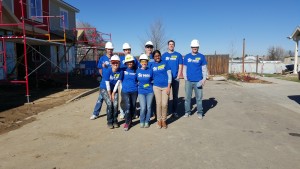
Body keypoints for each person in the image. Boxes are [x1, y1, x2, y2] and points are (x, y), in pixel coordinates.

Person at [183, 39, 208, 119]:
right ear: (191, 47)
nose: (195, 48)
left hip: (198, 81)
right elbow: (184, 68)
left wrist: (204, 79)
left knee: (199, 98)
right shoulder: (187, 56)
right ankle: (187, 112)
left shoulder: (201, 56)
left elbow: (204, 69)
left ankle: (200, 112)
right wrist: (185, 78)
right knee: (187, 98)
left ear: (198, 47)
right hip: (189, 81)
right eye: (193, 47)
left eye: (196, 47)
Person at [89, 42, 114, 120]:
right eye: (108, 49)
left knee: (111, 98)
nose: (110, 51)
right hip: (104, 82)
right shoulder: (102, 58)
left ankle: (110, 113)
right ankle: (95, 113)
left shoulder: (114, 58)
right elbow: (99, 69)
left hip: (112, 82)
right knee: (100, 98)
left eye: (111, 49)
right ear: (106, 49)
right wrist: (103, 75)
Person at [162, 40, 183, 118]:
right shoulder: (164, 55)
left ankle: (174, 111)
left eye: (172, 44)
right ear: (168, 45)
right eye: (170, 44)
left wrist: (178, 75)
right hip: (166, 80)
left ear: (174, 46)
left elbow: (180, 65)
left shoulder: (178, 55)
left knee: (175, 96)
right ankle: (166, 111)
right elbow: (162, 66)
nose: (171, 45)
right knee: (166, 95)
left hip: (175, 78)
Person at [151, 50, 171, 129]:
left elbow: (169, 75)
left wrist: (169, 86)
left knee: (165, 104)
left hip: (165, 86)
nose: (157, 57)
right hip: (156, 87)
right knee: (158, 104)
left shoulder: (165, 63)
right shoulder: (152, 65)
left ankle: (164, 120)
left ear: (160, 56)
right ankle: (159, 120)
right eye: (155, 56)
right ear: (153, 57)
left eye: (158, 55)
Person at [121, 54, 138, 131]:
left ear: (133, 62)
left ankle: (130, 120)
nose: (130, 63)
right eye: (128, 62)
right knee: (127, 106)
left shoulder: (136, 70)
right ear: (126, 63)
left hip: (134, 91)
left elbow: (139, 80)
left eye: (131, 62)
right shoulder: (123, 70)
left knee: (133, 106)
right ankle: (127, 122)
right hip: (125, 91)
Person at [137, 54, 154, 128]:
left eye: (145, 61)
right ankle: (142, 120)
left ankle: (147, 121)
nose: (144, 63)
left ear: (147, 62)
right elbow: (135, 80)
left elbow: (153, 80)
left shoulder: (150, 70)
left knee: (149, 107)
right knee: (143, 107)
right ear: (140, 62)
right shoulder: (138, 71)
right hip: (141, 92)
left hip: (149, 91)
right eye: (142, 61)